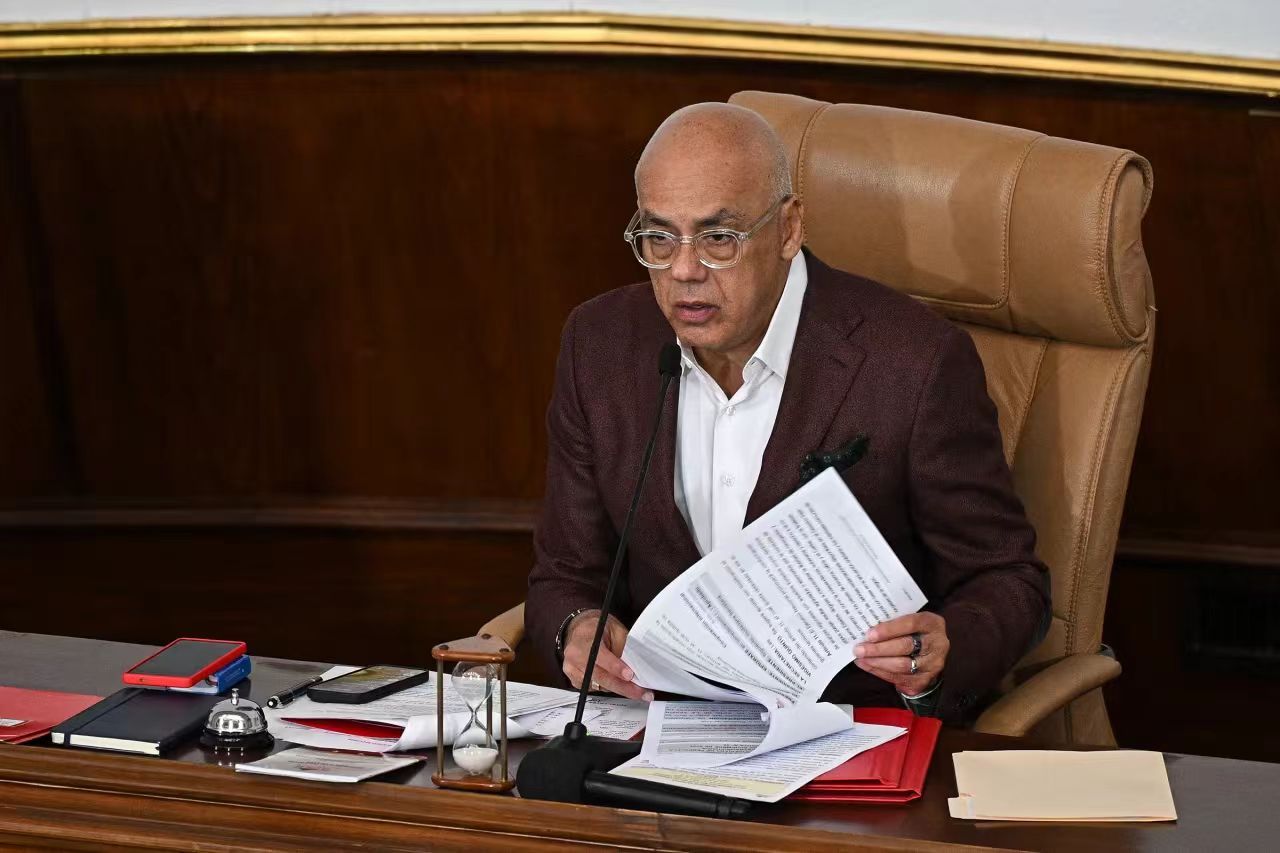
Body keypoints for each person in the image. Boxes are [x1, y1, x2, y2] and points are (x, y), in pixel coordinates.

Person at [526, 102, 1050, 721]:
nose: (685, 271)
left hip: (847, 731)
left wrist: (941, 650)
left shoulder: (915, 362)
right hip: (662, 730)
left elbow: (1007, 580)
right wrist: (577, 627)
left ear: (788, 228)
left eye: (718, 239)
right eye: (660, 238)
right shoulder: (601, 344)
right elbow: (565, 572)